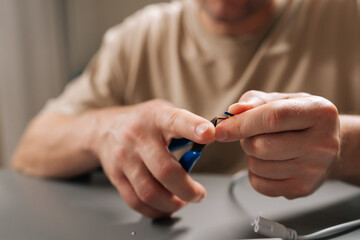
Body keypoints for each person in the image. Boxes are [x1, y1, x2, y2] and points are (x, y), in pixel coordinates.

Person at [12, 0, 360, 219]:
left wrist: (344, 142)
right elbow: (29, 150)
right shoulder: (140, 37)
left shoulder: (347, 14)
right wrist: (105, 128)